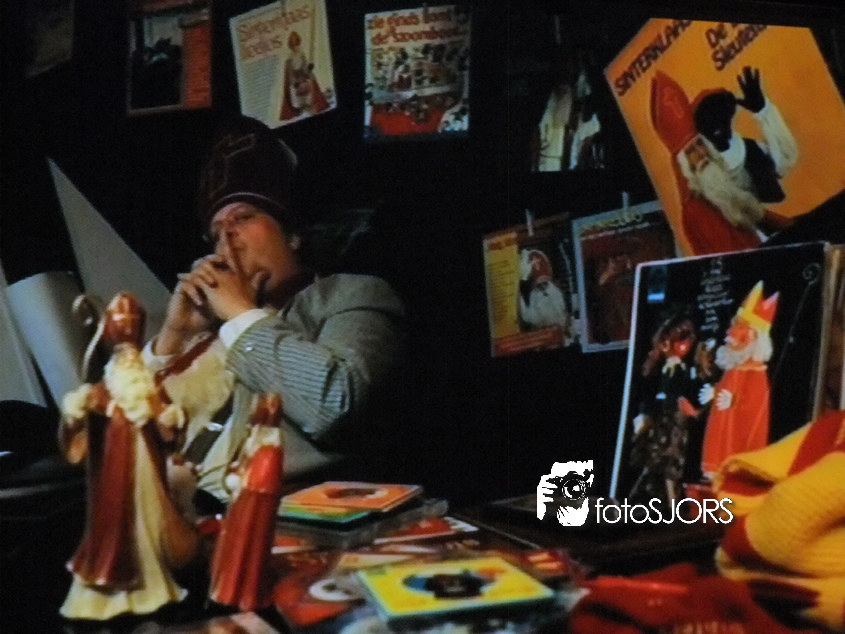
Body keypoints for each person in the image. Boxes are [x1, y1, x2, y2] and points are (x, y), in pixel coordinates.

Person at [143, 116, 406, 501]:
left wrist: (240, 314)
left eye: (243, 217)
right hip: (178, 508)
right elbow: (124, 437)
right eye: (216, 231)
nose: (227, 235)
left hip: (282, 514)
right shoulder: (211, 330)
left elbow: (334, 404)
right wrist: (173, 337)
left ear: (293, 235)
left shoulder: (353, 294)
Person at [59, 292, 199, 620]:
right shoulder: (101, 392)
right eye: (123, 356)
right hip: (112, 477)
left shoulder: (151, 390)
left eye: (133, 354)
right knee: (114, 530)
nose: (129, 360)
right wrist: (75, 414)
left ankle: (153, 584)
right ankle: (108, 592)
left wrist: (168, 417)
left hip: (148, 473)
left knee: (150, 525)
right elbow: (77, 439)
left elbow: (170, 428)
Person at [678, 66, 797, 243]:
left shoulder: (749, 149)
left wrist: (763, 111)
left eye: (720, 116)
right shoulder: (704, 184)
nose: (718, 127)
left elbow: (786, 160)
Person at [699, 281, 778, 480]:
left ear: (753, 336)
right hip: (722, 429)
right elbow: (726, 389)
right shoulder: (734, 367)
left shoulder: (756, 373)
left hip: (738, 440)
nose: (730, 333)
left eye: (739, 326)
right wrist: (715, 393)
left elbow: (756, 404)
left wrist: (734, 401)